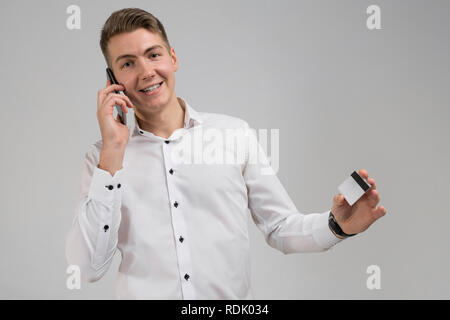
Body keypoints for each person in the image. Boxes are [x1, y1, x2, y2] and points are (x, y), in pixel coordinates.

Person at [65, 8, 387, 299]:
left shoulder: (234, 135)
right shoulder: (102, 159)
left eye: (153, 55)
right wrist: (114, 151)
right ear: (113, 81)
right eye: (127, 64)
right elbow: (88, 268)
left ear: (173, 57)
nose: (146, 71)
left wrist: (336, 225)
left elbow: (280, 228)